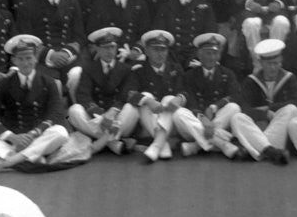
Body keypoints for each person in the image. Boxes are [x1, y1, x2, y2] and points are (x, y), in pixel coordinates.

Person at [0, 34, 71, 175]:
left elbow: (56, 113)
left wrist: (33, 134)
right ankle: (25, 157)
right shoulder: (4, 84)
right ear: (14, 60)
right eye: (21, 59)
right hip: (12, 138)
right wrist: (11, 137)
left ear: (36, 58)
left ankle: (9, 161)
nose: (25, 63)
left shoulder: (48, 82)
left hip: (37, 137)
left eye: (29, 58)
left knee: (60, 133)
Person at [67, 27, 140, 155]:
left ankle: (102, 141)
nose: (109, 51)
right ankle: (113, 143)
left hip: (118, 116)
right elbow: (83, 95)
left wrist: (112, 112)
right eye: (105, 47)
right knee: (74, 110)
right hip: (98, 118)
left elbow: (126, 94)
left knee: (132, 109)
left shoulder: (125, 69)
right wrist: (101, 116)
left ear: (116, 48)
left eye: (112, 47)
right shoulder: (89, 69)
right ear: (98, 49)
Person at [172, 33, 244, 159]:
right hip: (196, 122)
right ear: (199, 55)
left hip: (217, 119)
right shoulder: (190, 76)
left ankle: (195, 146)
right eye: (208, 53)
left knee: (234, 107)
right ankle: (222, 144)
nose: (212, 57)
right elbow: (190, 101)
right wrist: (202, 117)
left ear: (219, 55)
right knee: (179, 113)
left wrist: (214, 107)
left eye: (215, 53)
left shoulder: (227, 74)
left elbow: (236, 95)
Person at [230, 38, 297, 164]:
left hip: (279, 127)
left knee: (292, 109)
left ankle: (258, 150)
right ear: (261, 62)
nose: (273, 67)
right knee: (237, 117)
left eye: (276, 63)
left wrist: (270, 108)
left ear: (281, 61)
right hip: (258, 126)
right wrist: (264, 115)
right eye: (269, 64)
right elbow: (245, 107)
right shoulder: (251, 81)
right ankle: (272, 151)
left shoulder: (289, 79)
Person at [127, 29, 186, 163]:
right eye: (155, 50)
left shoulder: (175, 69)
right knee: (145, 97)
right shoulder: (138, 69)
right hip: (148, 125)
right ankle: (162, 143)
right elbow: (129, 93)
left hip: (171, 125)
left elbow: (185, 91)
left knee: (170, 98)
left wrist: (179, 98)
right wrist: (148, 100)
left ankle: (157, 144)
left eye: (163, 50)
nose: (160, 54)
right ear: (146, 51)